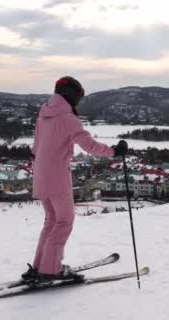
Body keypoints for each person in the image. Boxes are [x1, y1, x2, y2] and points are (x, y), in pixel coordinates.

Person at [23, 76, 128, 282]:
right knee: (64, 221)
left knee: (51, 221)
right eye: (79, 96)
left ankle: (40, 266)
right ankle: (50, 270)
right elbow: (89, 145)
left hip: (41, 175)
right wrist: (114, 151)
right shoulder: (68, 119)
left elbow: (35, 149)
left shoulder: (43, 115)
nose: (78, 101)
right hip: (57, 177)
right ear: (71, 95)